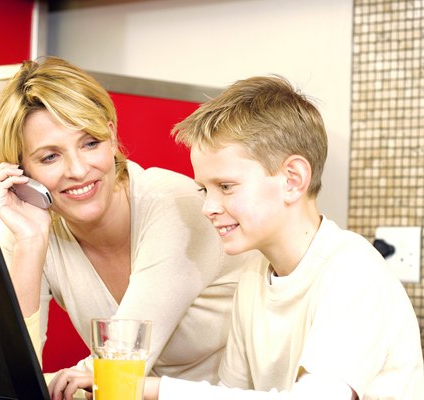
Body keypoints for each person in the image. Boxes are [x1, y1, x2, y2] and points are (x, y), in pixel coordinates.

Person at [0, 56, 263, 400]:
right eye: (49, 157)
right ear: (20, 171)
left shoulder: (175, 205)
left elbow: (119, 366)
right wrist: (28, 243)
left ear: (112, 136)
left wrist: (55, 382)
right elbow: (6, 376)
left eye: (90, 143)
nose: (78, 169)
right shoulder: (31, 225)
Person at [145, 75, 424, 399]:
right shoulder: (252, 277)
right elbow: (231, 393)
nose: (208, 207)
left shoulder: (353, 271)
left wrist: (155, 389)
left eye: (225, 186)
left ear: (293, 180)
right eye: (203, 189)